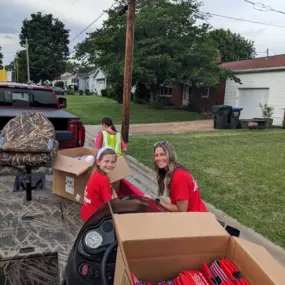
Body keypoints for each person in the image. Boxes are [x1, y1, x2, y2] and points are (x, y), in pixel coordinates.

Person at [145, 141, 207, 212]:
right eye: (156, 155)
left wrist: (156, 200)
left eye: (162, 154)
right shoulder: (177, 169)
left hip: (195, 218)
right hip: (199, 212)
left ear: (170, 155)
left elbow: (181, 210)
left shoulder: (179, 176)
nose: (159, 158)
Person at [80, 146, 118, 222]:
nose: (110, 165)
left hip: (86, 212)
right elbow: (109, 204)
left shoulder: (96, 173)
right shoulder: (103, 180)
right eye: (106, 161)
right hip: (95, 218)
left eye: (113, 162)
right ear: (98, 162)